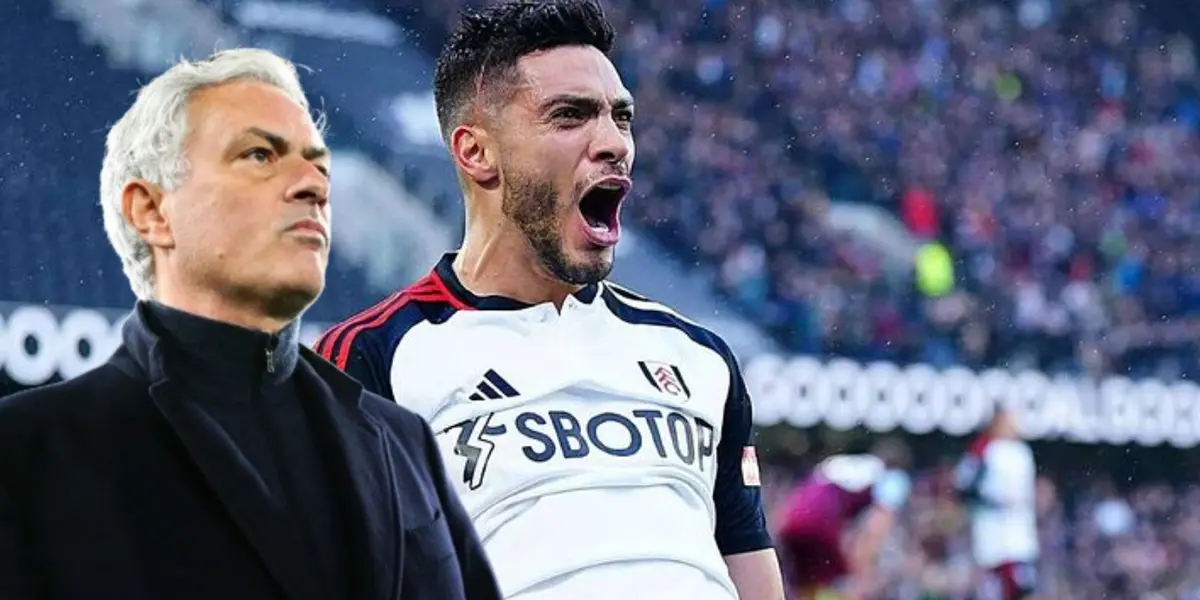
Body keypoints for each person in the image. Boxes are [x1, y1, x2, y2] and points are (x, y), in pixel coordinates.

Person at [314, 1, 784, 599]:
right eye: (570, 116)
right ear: (476, 152)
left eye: (622, 117)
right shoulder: (373, 356)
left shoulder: (699, 357)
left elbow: (752, 572)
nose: (614, 142)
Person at [0, 48, 501, 600]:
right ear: (151, 210)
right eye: (261, 155)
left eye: (319, 164)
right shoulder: (29, 451)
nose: (314, 185)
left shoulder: (405, 444)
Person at [775, 439, 913, 600]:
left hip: (791, 524)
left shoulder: (846, 465)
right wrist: (862, 572)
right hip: (820, 527)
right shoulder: (889, 477)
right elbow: (876, 527)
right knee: (839, 582)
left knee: (806, 584)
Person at [954, 408, 1040, 600]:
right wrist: (990, 501)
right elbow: (964, 482)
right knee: (993, 580)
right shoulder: (984, 449)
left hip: (1019, 527)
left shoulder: (1022, 452)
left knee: (1021, 581)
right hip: (991, 526)